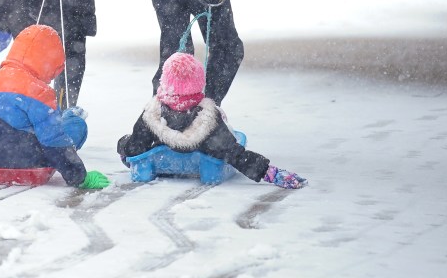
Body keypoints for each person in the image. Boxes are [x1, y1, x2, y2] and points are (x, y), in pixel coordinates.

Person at [0, 25, 109, 190]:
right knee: (75, 125)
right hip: (30, 162)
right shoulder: (40, 93)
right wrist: (80, 177)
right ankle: (70, 118)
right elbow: (54, 143)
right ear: (49, 63)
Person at [117, 52, 306, 189]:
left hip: (160, 158)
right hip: (201, 155)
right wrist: (267, 171)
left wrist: (124, 150)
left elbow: (135, 149)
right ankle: (210, 171)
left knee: (127, 142)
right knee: (227, 148)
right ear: (200, 85)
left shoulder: (151, 116)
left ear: (164, 83)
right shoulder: (208, 120)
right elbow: (235, 155)